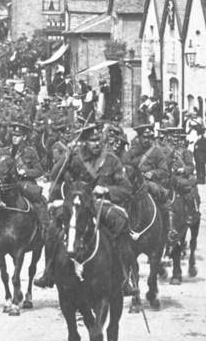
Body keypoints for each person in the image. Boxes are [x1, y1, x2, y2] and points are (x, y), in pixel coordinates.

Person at [39, 124, 136, 295]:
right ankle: (48, 272)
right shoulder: (75, 158)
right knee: (53, 229)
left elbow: (126, 189)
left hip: (101, 203)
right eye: (92, 140)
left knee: (121, 224)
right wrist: (66, 155)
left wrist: (107, 190)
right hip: (77, 202)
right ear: (84, 142)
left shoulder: (111, 160)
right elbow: (55, 175)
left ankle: (123, 276)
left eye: (99, 139)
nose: (97, 143)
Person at [0, 121, 52, 249]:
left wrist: (25, 172)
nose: (15, 137)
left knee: (40, 202)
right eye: (13, 135)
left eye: (18, 135)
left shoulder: (30, 152)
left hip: (24, 183)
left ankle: (45, 233)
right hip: (7, 185)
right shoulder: (5, 151)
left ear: (24, 137)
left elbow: (39, 170)